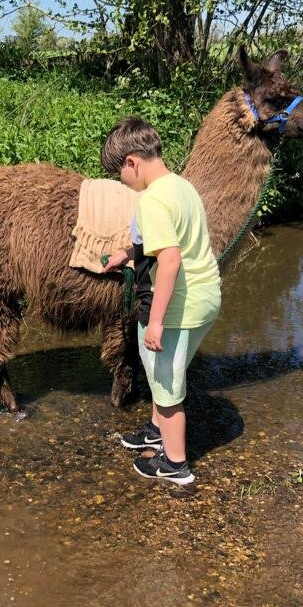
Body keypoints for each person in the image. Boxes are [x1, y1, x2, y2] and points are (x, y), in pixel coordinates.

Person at [101, 116, 221, 485]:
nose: (122, 182)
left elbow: (169, 258)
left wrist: (155, 320)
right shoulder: (181, 186)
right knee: (163, 373)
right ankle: (156, 432)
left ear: (132, 163)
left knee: (168, 389)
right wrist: (127, 254)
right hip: (206, 297)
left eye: (119, 173)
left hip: (177, 307)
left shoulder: (151, 201)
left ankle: (175, 465)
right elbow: (171, 238)